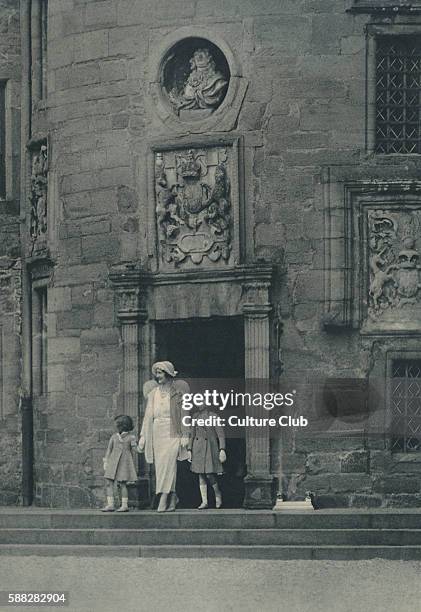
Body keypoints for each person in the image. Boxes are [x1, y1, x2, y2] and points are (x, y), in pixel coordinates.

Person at [138, 361, 190, 512]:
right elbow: (148, 415)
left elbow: (184, 413)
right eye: (157, 373)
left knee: (169, 463)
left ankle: (163, 497)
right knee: (161, 466)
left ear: (168, 375)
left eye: (160, 373)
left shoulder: (177, 393)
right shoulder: (153, 393)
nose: (157, 376)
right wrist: (143, 436)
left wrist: (185, 434)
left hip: (173, 430)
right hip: (157, 431)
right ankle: (173, 497)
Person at [187, 406, 226, 509]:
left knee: (209, 474)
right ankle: (204, 501)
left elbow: (220, 434)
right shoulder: (195, 417)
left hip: (210, 447)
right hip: (198, 448)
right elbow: (192, 434)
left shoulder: (214, 416)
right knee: (201, 474)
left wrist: (222, 449)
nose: (199, 404)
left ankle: (218, 495)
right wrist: (189, 450)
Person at [102, 415, 138, 513]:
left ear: (121, 426)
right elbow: (109, 450)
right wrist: (106, 461)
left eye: (117, 425)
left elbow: (135, 450)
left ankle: (124, 505)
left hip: (124, 463)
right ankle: (110, 504)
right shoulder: (114, 437)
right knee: (109, 483)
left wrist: (140, 447)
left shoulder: (131, 437)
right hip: (112, 463)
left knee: (123, 484)